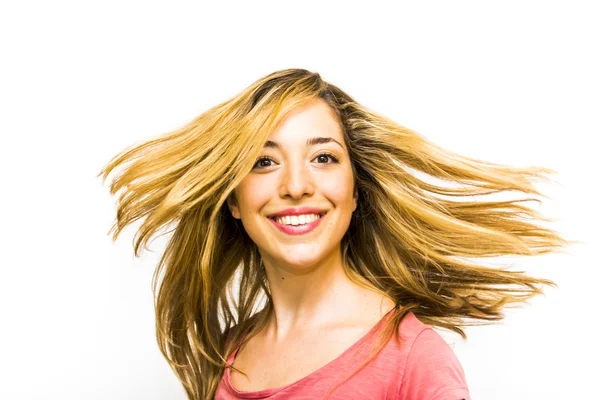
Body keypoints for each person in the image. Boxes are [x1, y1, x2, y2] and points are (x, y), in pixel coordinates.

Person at [98, 68, 572, 399]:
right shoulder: (225, 354)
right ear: (233, 201)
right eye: (264, 162)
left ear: (354, 191)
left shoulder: (414, 360)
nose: (297, 185)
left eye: (323, 157)